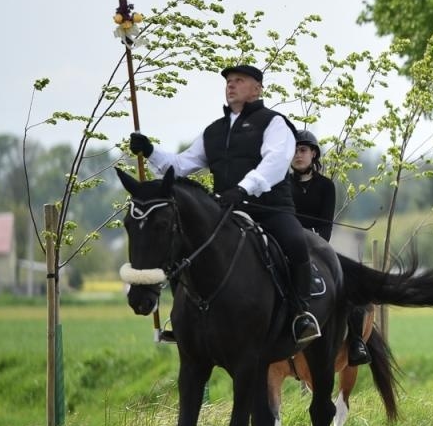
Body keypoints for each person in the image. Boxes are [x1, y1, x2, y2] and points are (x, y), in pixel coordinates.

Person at [127, 63, 320, 350]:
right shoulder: (214, 131)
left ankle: (301, 314)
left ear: (257, 88)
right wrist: (151, 150)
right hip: (223, 214)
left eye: (239, 81)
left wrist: (244, 188)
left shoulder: (274, 123)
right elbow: (180, 165)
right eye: (228, 81)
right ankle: (180, 318)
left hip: (269, 209)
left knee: (295, 242)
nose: (231, 85)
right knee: (183, 249)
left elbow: (275, 163)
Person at [291, 130, 368, 366]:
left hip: (318, 246)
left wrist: (312, 241)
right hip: (289, 245)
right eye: (294, 150)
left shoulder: (326, 186)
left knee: (353, 287)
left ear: (313, 154)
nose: (298, 155)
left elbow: (325, 228)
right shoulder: (282, 185)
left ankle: (356, 342)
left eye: (303, 150)